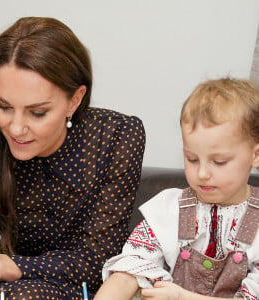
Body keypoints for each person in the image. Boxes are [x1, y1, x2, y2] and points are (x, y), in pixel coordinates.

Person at [0, 17, 145, 299]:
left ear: (75, 100)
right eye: (5, 106)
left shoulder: (116, 137)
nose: (17, 128)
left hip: (87, 291)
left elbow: (97, 261)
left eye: (37, 112)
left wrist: (0, 263)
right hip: (10, 287)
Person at [94, 78, 259, 300]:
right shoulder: (171, 210)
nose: (202, 173)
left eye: (219, 162)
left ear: (255, 155)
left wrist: (181, 297)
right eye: (191, 159)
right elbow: (129, 271)